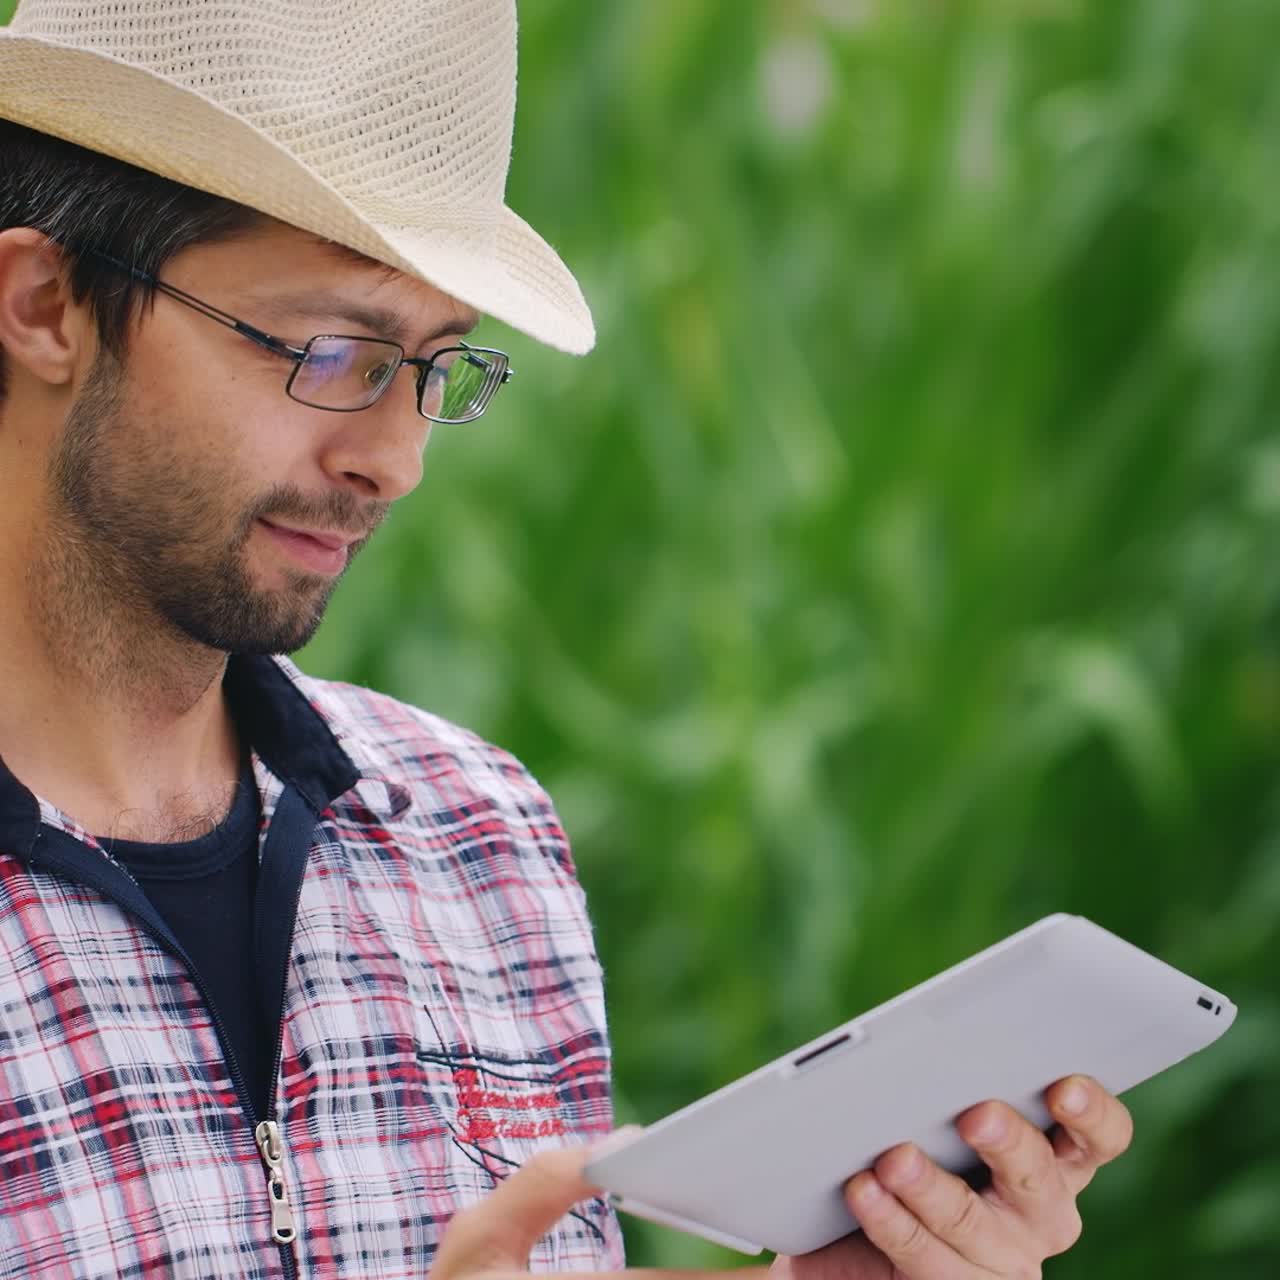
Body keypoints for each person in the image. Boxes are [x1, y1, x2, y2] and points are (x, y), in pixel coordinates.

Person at [0, 2, 1133, 1278]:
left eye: (435, 367)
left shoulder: (477, 831)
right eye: (330, 351)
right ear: (44, 304)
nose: (396, 457)